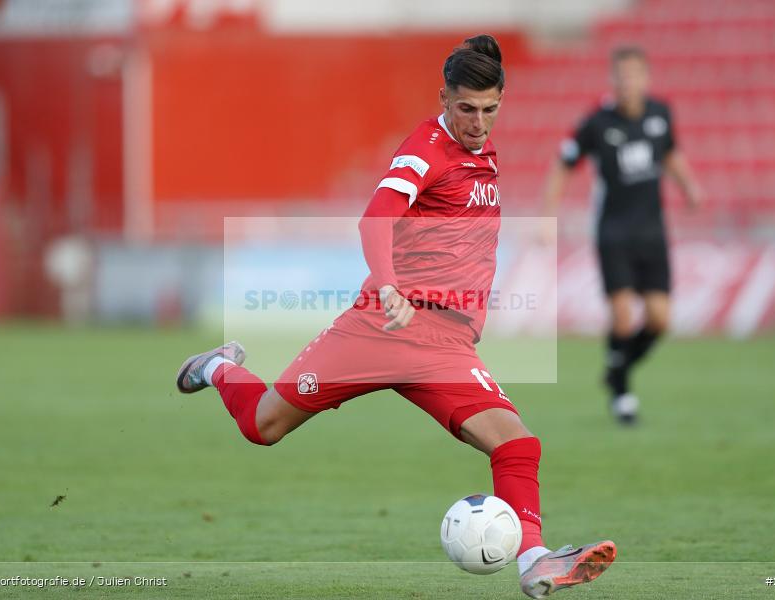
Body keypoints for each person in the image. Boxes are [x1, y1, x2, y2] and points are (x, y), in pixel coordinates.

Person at [176, 35, 615, 597]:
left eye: (490, 110)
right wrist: (387, 288)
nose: (478, 122)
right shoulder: (425, 150)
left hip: (445, 345)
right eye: (466, 109)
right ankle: (217, 367)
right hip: (381, 328)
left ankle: (534, 561)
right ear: (444, 98)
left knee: (517, 444)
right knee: (263, 426)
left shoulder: (481, 153)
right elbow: (374, 219)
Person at [543, 45, 703, 424]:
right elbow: (563, 164)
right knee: (621, 317)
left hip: (652, 230)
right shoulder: (597, 123)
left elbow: (670, 153)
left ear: (646, 79)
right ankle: (622, 393)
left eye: (634, 75)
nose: (627, 83)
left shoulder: (660, 114)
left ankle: (616, 369)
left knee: (661, 319)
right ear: (613, 80)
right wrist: (548, 215)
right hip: (613, 231)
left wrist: (689, 186)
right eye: (621, 76)